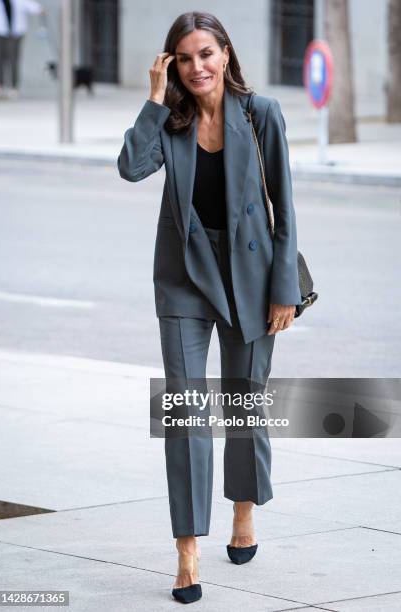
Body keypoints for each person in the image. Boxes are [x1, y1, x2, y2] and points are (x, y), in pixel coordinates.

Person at [117, 11, 301, 605]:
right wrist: (152, 98)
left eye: (206, 54)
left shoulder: (262, 113)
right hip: (183, 277)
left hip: (250, 274)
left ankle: (243, 512)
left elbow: (285, 210)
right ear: (172, 63)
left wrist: (283, 289)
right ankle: (187, 551)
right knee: (187, 411)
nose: (198, 68)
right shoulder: (169, 121)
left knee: (246, 397)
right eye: (185, 58)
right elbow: (131, 167)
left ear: (225, 54)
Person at [0, 0, 43, 100]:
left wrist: (40, 10)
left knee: (13, 60)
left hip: (16, 33)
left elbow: (35, 8)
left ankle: (13, 87)